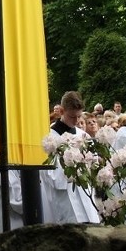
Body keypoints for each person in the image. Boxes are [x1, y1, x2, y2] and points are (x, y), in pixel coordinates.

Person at [42, 91, 99, 224]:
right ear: (61, 111)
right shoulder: (50, 138)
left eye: (79, 116)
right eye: (72, 116)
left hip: (86, 193)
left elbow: (94, 163)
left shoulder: (84, 136)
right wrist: (72, 170)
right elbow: (48, 173)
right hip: (66, 197)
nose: (77, 121)